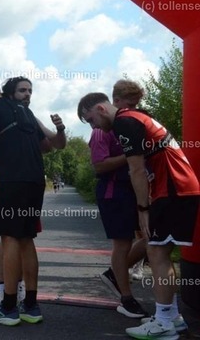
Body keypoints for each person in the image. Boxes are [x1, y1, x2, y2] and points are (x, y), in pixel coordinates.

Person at [78, 92, 199, 339]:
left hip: (172, 188)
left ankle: (164, 323)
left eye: (91, 120)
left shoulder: (124, 122)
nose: (94, 127)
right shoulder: (136, 116)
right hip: (179, 187)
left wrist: (143, 209)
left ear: (101, 109)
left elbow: (136, 170)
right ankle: (172, 318)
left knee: (156, 252)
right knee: (159, 251)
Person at [0, 75, 63, 326]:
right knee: (27, 239)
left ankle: (8, 307)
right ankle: (30, 305)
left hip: (12, 181)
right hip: (35, 180)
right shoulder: (25, 111)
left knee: (9, 238)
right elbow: (48, 146)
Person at [89, 80, 148, 319]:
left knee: (153, 237)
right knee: (122, 244)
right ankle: (126, 298)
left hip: (135, 188)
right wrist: (131, 154)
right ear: (114, 102)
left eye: (136, 104)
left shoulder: (131, 122)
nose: (133, 108)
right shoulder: (100, 132)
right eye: (129, 104)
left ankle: (114, 273)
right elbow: (99, 166)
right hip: (114, 192)